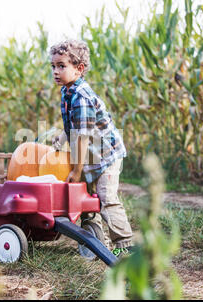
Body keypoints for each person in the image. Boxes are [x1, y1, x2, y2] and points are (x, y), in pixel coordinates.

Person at [49, 39, 133, 257]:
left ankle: (124, 244)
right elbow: (73, 127)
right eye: (53, 66)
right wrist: (61, 137)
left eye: (62, 66)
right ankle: (95, 241)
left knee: (106, 198)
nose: (56, 71)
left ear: (79, 68)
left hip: (106, 156)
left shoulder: (81, 97)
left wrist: (76, 172)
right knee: (87, 197)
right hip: (90, 156)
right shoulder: (67, 92)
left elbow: (83, 137)